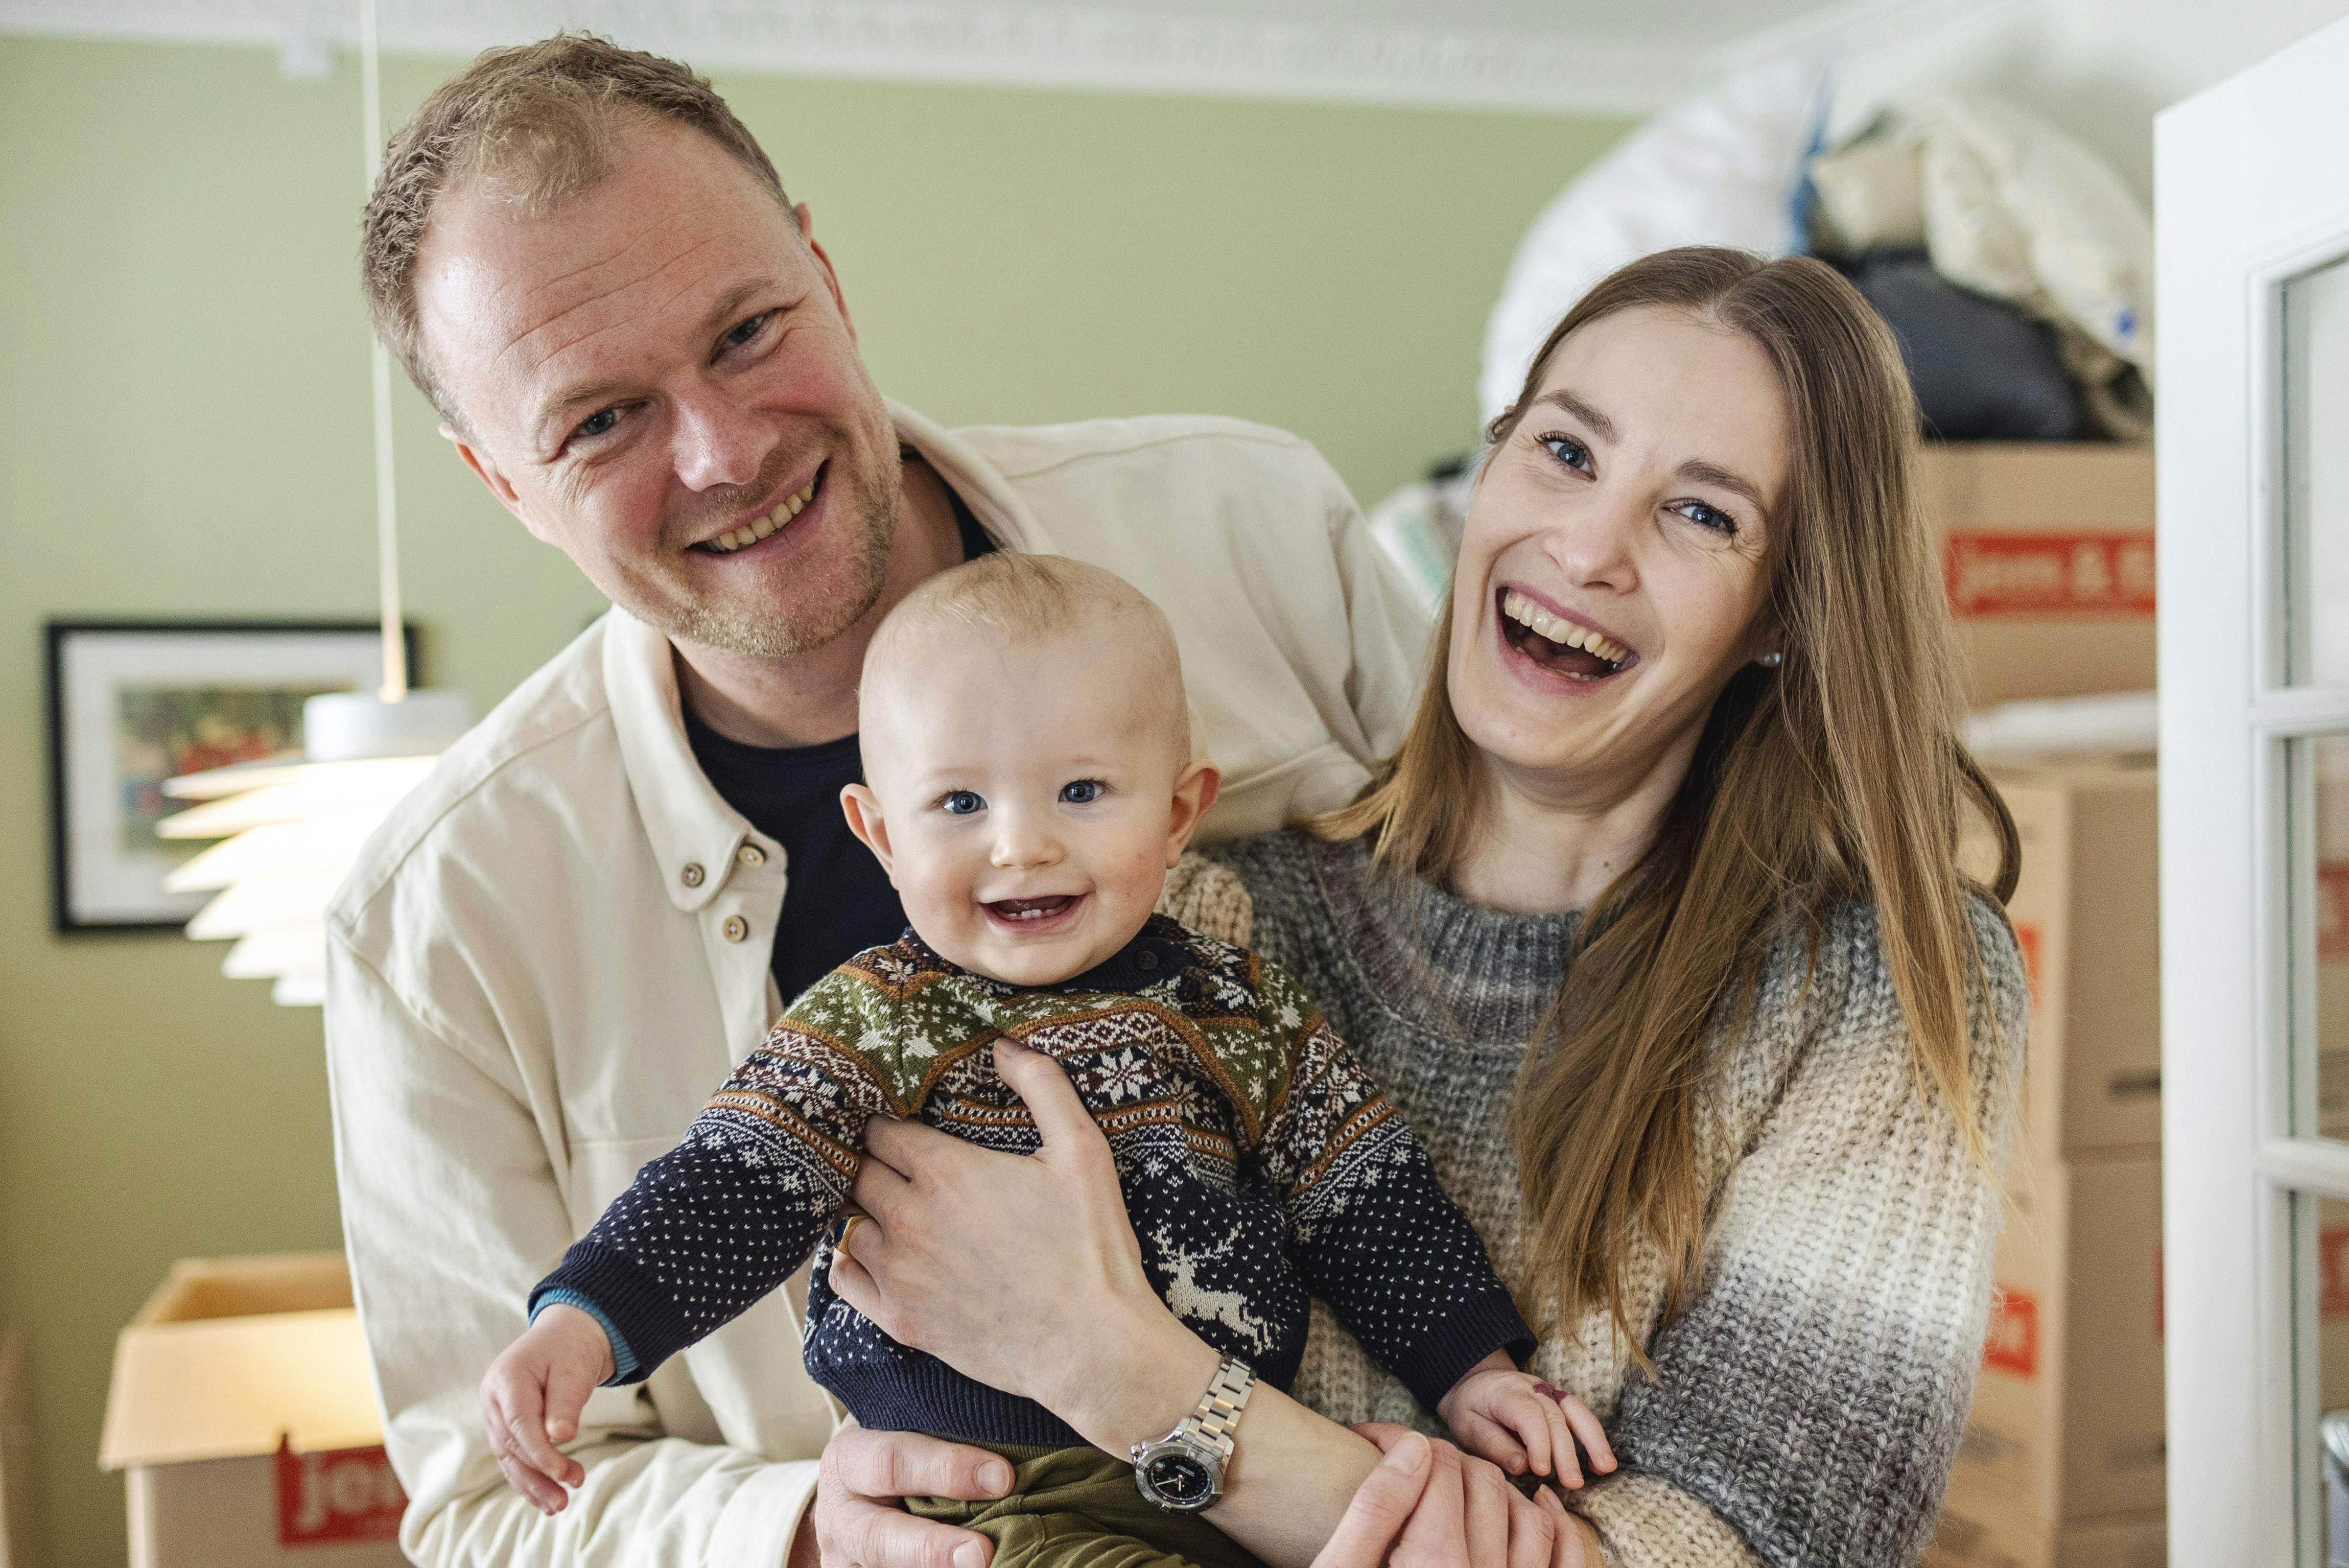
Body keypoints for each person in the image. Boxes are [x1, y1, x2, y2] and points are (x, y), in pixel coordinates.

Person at [323, 34, 1524, 1568]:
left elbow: (1552, 976)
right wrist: (795, 1530)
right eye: (601, 421)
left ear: (824, 271)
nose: (725, 448)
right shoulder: (436, 920)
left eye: (750, 331)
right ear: (499, 477)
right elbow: (485, 1498)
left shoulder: (1255, 532)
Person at [804, 247, 2031, 1568]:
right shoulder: (1207, 920)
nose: (1587, 546)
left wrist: (1131, 1375)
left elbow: (1778, 1547)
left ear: (1790, 605)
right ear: (1487, 473)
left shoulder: (1876, 987)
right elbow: (948, 1301)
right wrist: (878, 1489)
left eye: (1704, 514)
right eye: (1565, 451)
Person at [480, 553, 1611, 1567]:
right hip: (989, 1492)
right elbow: (734, 1175)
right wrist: (584, 1319)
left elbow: (1369, 1194)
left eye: (1080, 791)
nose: (1021, 840)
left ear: (1178, 814)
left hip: (1225, 1482)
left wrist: (1477, 1372)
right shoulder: (875, 1020)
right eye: (960, 802)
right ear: (882, 833)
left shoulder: (1241, 1006)